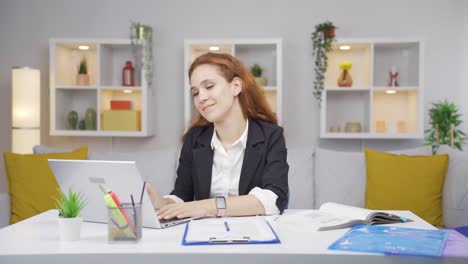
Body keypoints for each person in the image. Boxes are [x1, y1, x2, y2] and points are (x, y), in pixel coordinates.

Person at [147, 52, 289, 220]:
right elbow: (182, 197)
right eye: (195, 92)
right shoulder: (195, 139)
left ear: (236, 86)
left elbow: (273, 199)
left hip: (254, 235)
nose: (201, 97)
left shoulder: (271, 135)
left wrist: (207, 206)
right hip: (205, 236)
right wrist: (158, 202)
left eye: (209, 86)